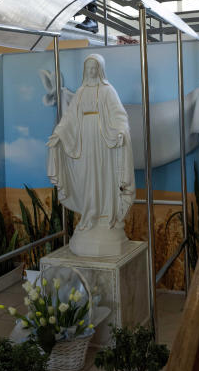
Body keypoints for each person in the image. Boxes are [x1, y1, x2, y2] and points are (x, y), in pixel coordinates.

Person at [46, 54, 135, 257]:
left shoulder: (108, 91)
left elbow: (119, 115)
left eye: (95, 68)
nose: (92, 72)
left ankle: (105, 217)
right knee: (87, 178)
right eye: (89, 69)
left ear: (100, 70)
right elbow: (69, 118)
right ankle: (89, 217)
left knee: (104, 178)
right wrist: (59, 134)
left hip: (104, 142)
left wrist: (121, 130)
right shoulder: (81, 92)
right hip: (85, 142)